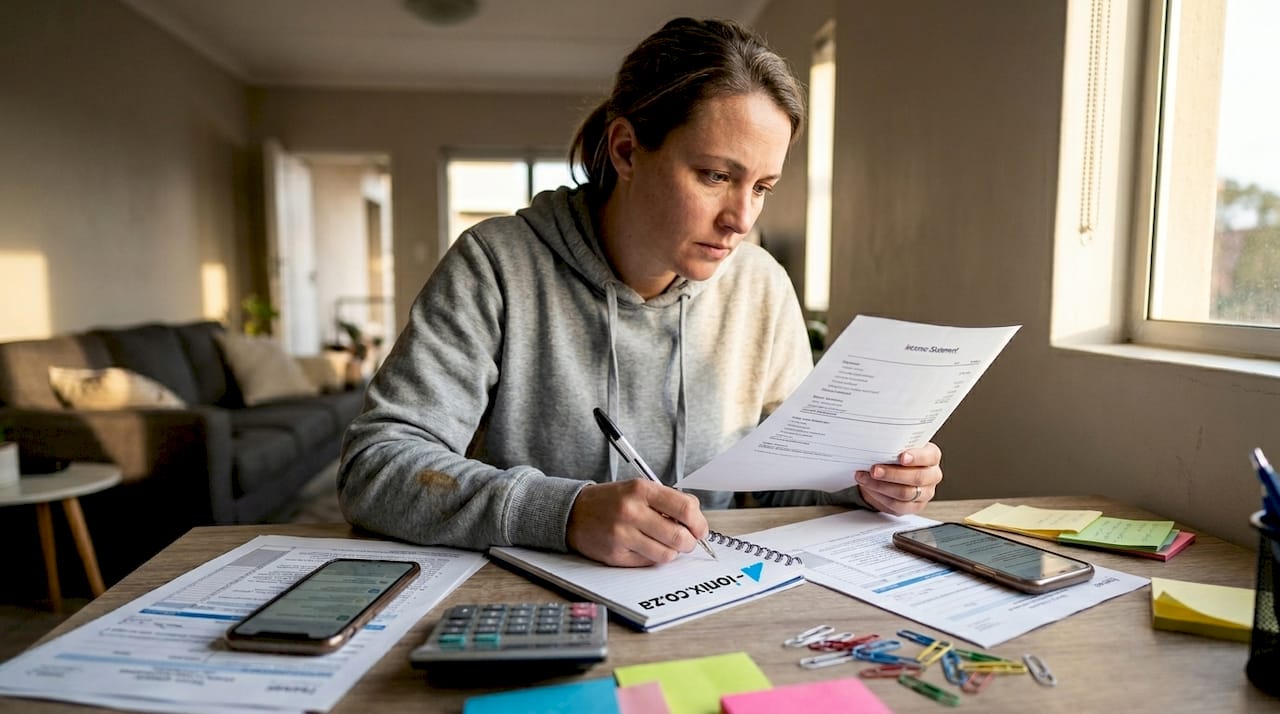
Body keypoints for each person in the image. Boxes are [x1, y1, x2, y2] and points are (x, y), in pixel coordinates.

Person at [338, 17, 943, 567]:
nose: (741, 219)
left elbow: (783, 481)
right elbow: (377, 467)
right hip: (540, 604)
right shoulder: (495, 265)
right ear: (627, 150)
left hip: (711, 589)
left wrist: (865, 480)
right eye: (716, 176)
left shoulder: (761, 286)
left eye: (762, 187)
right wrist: (566, 513)